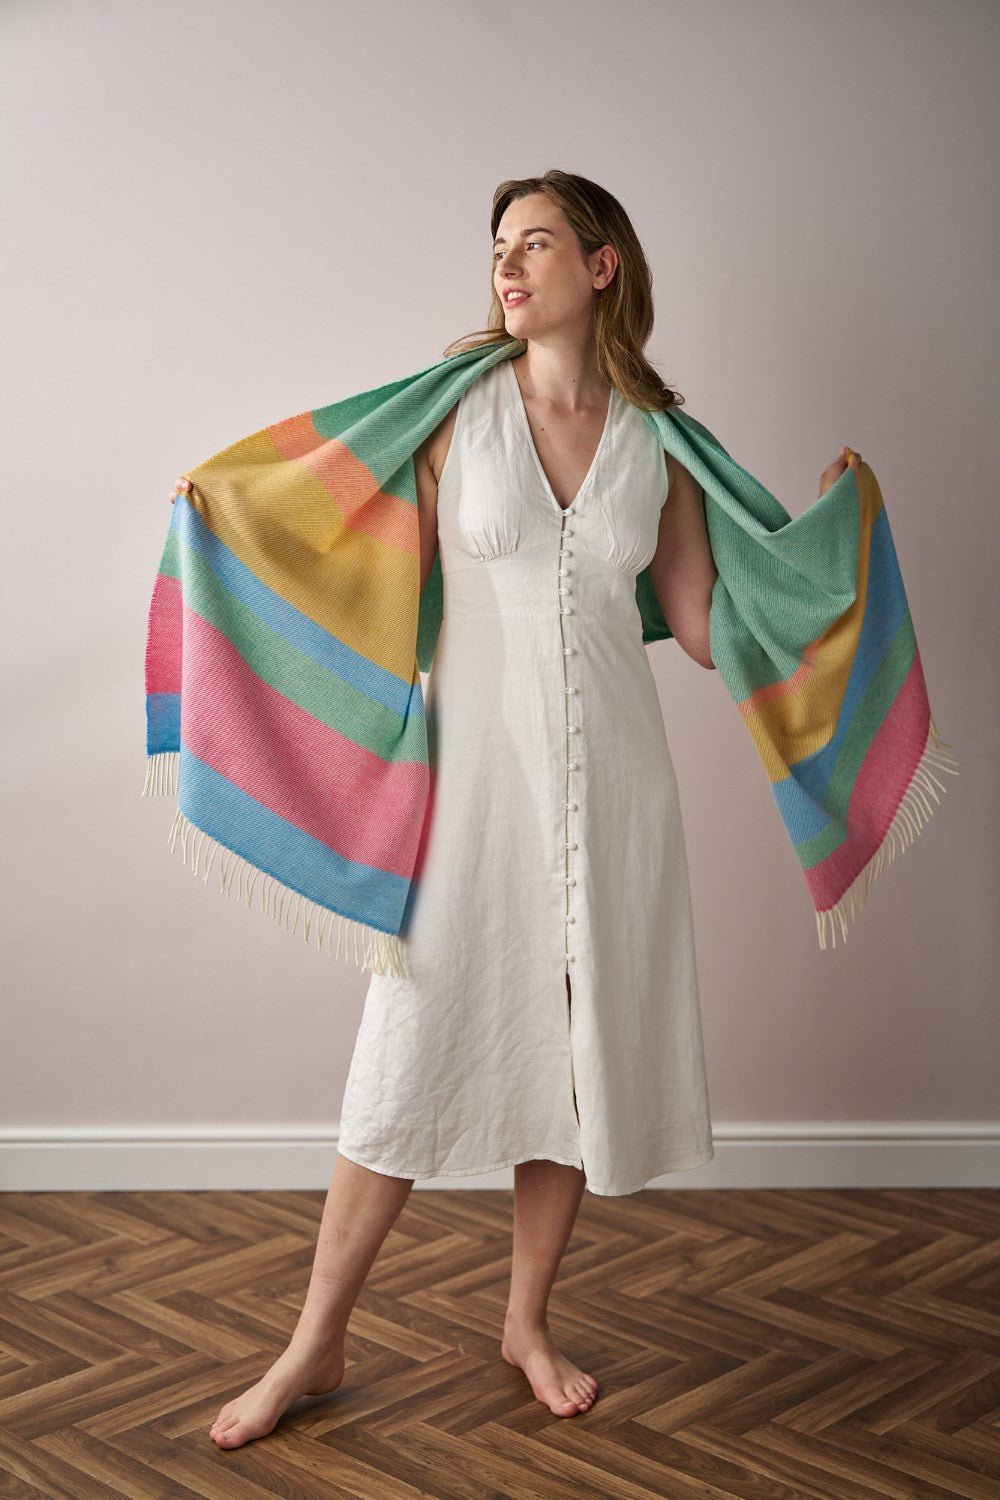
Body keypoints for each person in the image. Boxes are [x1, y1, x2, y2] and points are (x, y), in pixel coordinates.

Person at [208, 170, 860, 1449]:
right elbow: (340, 540)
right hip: (472, 790)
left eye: (537, 243)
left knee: (574, 1054)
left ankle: (525, 1321)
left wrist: (822, 550)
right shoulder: (450, 413)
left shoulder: (660, 442)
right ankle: (314, 1342)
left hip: (615, 792)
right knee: (404, 1049)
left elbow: (699, 626)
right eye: (498, 246)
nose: (507, 265)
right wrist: (230, 511)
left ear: (602, 265)